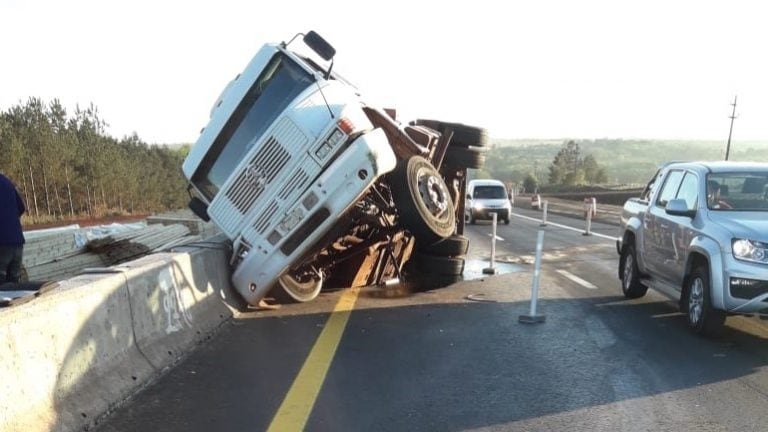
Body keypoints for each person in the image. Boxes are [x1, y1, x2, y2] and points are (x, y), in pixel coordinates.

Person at [0, 173, 26, 283]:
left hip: (2, 244)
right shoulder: (7, 182)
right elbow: (21, 207)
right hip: (17, 242)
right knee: (15, 288)